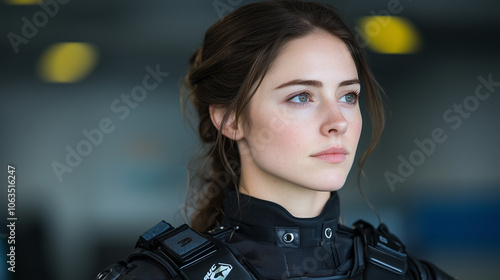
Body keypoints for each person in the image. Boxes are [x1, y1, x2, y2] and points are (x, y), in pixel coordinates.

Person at [96, 1, 455, 279]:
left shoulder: (407, 273)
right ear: (230, 119)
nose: (338, 123)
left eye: (348, 96)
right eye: (301, 97)